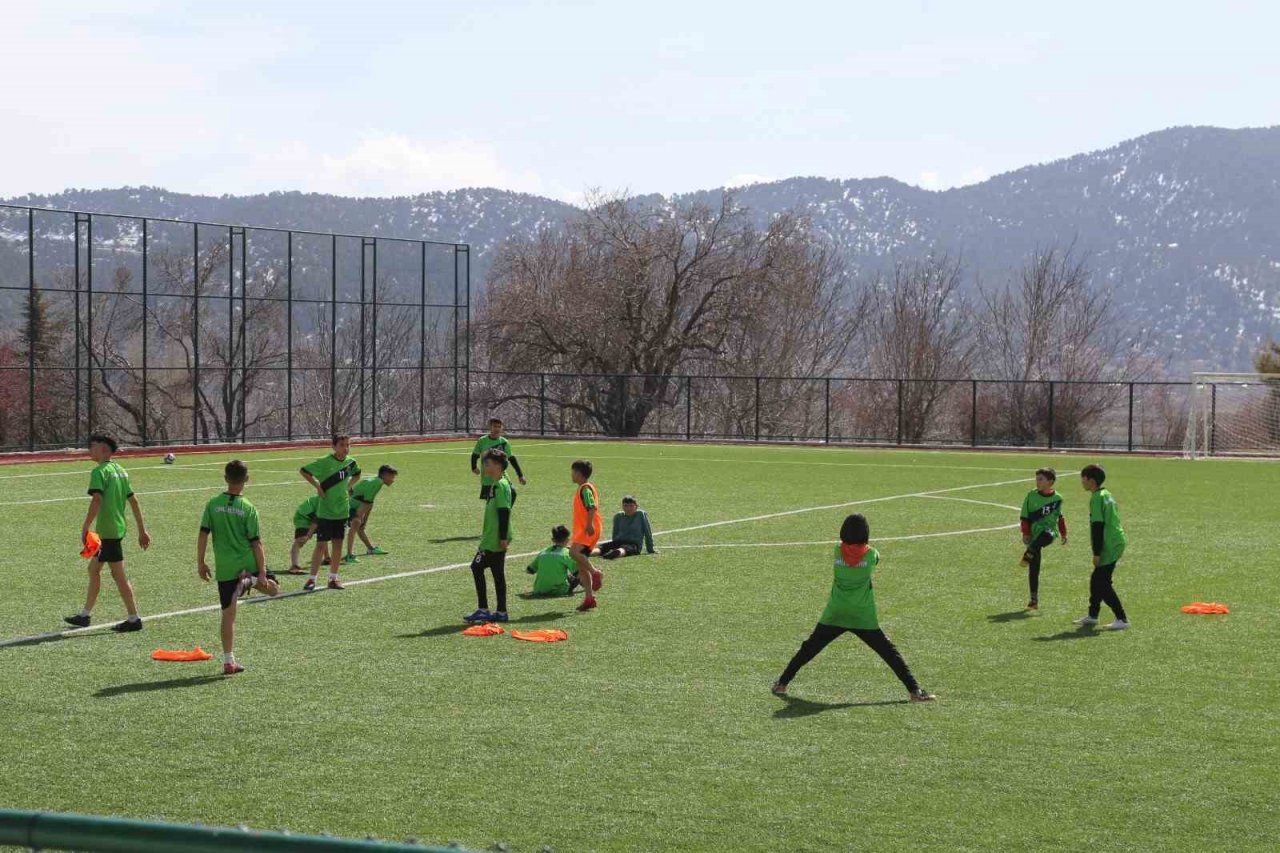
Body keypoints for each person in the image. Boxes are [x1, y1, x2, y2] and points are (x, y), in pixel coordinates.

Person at [772, 513, 936, 702]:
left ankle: (782, 683)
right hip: (862, 616)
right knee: (889, 653)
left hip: (835, 613)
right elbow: (876, 558)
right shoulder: (871, 554)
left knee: (808, 649)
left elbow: (845, 551)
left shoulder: (836, 552)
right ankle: (915, 691)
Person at [64, 433, 151, 631]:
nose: (89, 449)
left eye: (92, 445)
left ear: (103, 448)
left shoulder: (99, 472)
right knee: (94, 570)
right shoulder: (121, 470)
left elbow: (97, 500)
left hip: (109, 532)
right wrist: (142, 530)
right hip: (115, 530)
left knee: (119, 576)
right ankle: (85, 615)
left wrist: (86, 526)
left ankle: (134, 618)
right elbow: (134, 501)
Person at [197, 460, 277, 675]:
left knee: (228, 614)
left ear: (225, 479)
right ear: (246, 480)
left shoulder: (212, 504)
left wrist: (201, 562)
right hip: (248, 563)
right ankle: (248, 581)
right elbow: (256, 542)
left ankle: (228, 661)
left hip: (224, 567)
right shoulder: (248, 508)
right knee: (274, 589)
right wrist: (261, 573)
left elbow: (203, 533)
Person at [299, 434, 360, 591]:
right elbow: (304, 471)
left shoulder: (351, 463)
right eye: (342, 445)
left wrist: (349, 487)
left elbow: (357, 473)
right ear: (333, 446)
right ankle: (312, 579)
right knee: (320, 545)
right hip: (325, 511)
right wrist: (317, 486)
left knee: (338, 544)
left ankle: (333, 578)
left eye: (348, 445)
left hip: (342, 511)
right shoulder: (325, 462)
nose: (345, 448)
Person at [1074, 464, 1130, 630]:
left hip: (1110, 544)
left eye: (1083, 478)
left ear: (1090, 480)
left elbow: (1098, 526)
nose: (1081, 482)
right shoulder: (1106, 493)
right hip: (1115, 540)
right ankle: (1092, 616)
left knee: (1102, 582)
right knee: (1096, 580)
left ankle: (1122, 618)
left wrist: (1096, 553)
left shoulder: (1097, 498)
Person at [465, 449, 514, 623]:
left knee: (476, 567)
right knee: (498, 573)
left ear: (498, 466)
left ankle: (483, 609)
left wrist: (501, 536)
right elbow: (512, 496)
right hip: (497, 536)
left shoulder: (500, 484)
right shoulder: (503, 483)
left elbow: (503, 511)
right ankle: (501, 612)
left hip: (493, 538)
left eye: (488, 464)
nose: (485, 466)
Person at [1018, 467, 1068, 610]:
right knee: (1034, 569)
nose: (1037, 482)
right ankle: (1033, 600)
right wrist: (1026, 533)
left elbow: (1060, 517)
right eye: (1037, 479)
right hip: (1034, 536)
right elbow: (1024, 517)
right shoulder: (1030, 495)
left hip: (1049, 533)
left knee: (1046, 534)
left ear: (1050, 481)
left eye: (1041, 479)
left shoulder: (1058, 498)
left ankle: (1028, 553)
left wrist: (1064, 533)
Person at [344, 464, 398, 563]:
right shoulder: (377, 483)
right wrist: (359, 517)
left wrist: (364, 519)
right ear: (385, 475)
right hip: (350, 508)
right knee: (355, 527)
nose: (393, 480)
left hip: (353, 506)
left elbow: (368, 501)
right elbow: (366, 502)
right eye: (392, 477)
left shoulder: (375, 480)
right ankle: (349, 555)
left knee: (360, 527)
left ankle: (371, 549)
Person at [570, 459, 603, 612]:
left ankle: (595, 572)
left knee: (573, 552)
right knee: (580, 565)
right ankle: (589, 598)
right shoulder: (583, 488)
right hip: (584, 530)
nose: (571, 475)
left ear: (578, 473)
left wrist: (589, 525)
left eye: (573, 472)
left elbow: (591, 507)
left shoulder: (585, 488)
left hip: (588, 529)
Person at [471, 418, 526, 500]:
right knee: (491, 501)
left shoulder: (504, 442)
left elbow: (511, 458)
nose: (497, 429)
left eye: (499, 427)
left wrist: (520, 475)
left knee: (512, 494)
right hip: (487, 478)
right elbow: (475, 455)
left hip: (502, 476)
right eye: (495, 426)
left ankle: (504, 512)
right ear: (490, 427)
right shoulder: (482, 440)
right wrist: (474, 467)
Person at [594, 495, 657, 560]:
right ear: (622, 506)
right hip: (618, 542)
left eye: (631, 506)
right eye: (625, 506)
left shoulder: (640, 514)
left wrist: (650, 549)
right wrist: (613, 544)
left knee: (625, 549)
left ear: (636, 507)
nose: (628, 508)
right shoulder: (618, 516)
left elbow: (647, 532)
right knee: (603, 547)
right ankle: (588, 553)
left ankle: (616, 553)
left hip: (634, 544)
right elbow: (615, 533)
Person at [526, 525, 582, 597]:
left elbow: (529, 570)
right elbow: (578, 572)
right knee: (580, 571)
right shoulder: (567, 553)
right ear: (568, 540)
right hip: (559, 591)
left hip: (539, 590)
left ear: (553, 540)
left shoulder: (543, 552)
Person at [289, 494, 320, 574]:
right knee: (301, 540)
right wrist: (309, 534)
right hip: (303, 517)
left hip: (313, 517)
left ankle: (327, 557)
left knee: (323, 535)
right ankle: (294, 565)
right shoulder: (325, 502)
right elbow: (316, 520)